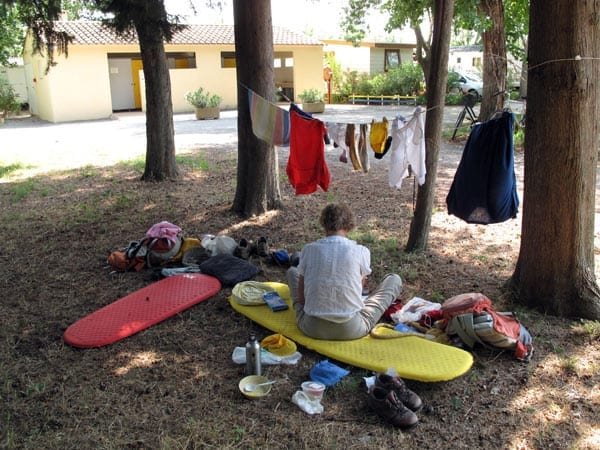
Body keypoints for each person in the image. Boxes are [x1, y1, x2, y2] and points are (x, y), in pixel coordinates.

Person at [286, 203, 402, 340]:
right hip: (351, 329)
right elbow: (358, 290)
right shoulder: (361, 251)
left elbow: (302, 299)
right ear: (349, 224)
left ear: (323, 223)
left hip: (311, 328)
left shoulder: (309, 249)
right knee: (394, 279)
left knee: (292, 272)